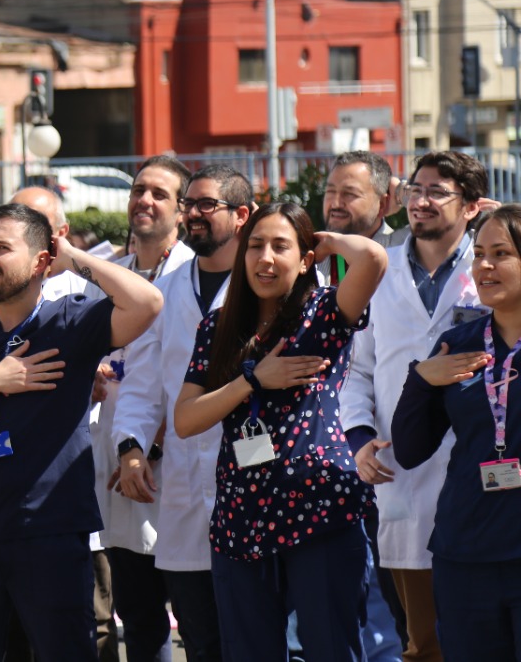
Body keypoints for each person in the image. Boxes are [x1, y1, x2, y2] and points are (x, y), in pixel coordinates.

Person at [0, 204, 164, 662]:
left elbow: (146, 303)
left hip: (51, 530)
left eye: (2, 248)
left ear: (41, 262)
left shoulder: (71, 319)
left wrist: (72, 257)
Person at [174, 202, 387, 661]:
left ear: (305, 257)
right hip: (240, 516)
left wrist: (326, 241)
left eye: (280, 246)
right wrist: (252, 380)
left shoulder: (326, 313)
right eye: (254, 246)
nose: (264, 258)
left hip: (320, 509)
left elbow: (372, 259)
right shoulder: (219, 326)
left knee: (331, 649)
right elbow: (186, 420)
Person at [340, 150, 488, 662]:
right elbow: (356, 370)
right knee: (420, 641)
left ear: (471, 206)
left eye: (437, 192)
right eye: (415, 191)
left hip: (479, 472)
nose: (420, 202)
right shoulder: (378, 273)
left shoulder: (489, 267)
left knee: (482, 630)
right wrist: (358, 441)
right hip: (398, 471)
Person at [113, 164, 254, 662]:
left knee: (256, 634)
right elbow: (143, 383)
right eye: (189, 204)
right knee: (199, 637)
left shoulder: (263, 285)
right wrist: (130, 448)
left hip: (254, 480)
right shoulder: (165, 293)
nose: (193, 214)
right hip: (182, 487)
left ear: (242, 215)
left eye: (205, 205)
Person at [391, 203, 521, 661]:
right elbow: (409, 450)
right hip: (466, 551)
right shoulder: (460, 344)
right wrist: (421, 378)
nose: (484, 266)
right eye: (479, 253)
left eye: (501, 253)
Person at [8, 183, 123, 662]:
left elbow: (126, 362)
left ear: (61, 235)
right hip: (9, 490)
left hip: (74, 481)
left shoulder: (88, 287)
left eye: (42, 229)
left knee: (88, 619)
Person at [98, 156, 195, 662]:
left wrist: (146, 445)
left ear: (181, 210)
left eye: (160, 193)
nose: (145, 200)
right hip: (120, 465)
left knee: (197, 615)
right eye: (139, 190)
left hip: (173, 462)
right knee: (137, 616)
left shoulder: (192, 277)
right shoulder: (109, 274)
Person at [319, 151, 407, 662]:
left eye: (349, 193)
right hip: (323, 457)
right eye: (331, 191)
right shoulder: (312, 261)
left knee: (391, 604)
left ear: (384, 201)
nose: (335, 202)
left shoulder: (401, 258)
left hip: (383, 450)